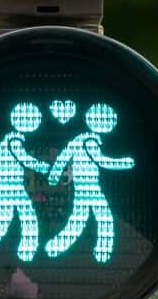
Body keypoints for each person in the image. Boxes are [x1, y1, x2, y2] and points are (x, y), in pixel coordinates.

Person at [44, 103, 134, 263]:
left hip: (82, 188)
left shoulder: (77, 140)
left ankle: (56, 246)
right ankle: (103, 249)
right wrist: (123, 163)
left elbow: (62, 158)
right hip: (91, 188)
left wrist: (54, 175)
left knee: (79, 220)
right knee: (103, 217)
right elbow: (101, 160)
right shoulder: (89, 141)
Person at [0, 102, 52, 262]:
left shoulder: (11, 139)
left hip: (12, 187)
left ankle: (24, 250)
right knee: (14, 219)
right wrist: (42, 167)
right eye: (33, 120)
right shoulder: (13, 140)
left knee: (12, 219)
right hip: (11, 187)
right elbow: (24, 158)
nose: (35, 124)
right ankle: (24, 250)